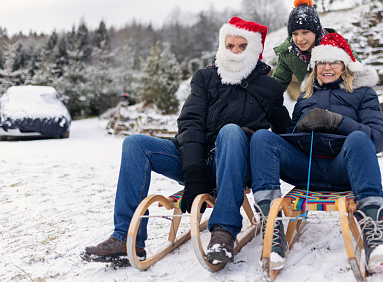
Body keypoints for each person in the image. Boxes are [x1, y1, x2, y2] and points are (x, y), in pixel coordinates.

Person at [81, 17, 290, 265]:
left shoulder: (270, 87)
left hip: (234, 164)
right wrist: (193, 173)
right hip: (195, 160)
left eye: (242, 46)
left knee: (232, 131)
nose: (234, 52)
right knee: (135, 144)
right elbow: (189, 123)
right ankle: (127, 239)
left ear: (254, 50)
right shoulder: (205, 77)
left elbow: (283, 135)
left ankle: (223, 232)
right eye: (229, 45)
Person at [250, 33, 383, 273]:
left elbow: (377, 140)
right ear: (314, 67)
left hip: (343, 168)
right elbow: (292, 133)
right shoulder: (306, 95)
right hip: (306, 168)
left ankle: (375, 238)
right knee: (261, 137)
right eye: (321, 63)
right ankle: (273, 231)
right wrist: (290, 123)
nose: (327, 67)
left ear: (345, 66)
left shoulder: (364, 94)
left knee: (360, 138)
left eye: (334, 62)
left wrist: (337, 121)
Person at [271, 0, 360, 92]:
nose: (299, 39)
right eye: (295, 34)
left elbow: (358, 72)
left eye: (305, 32)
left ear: (316, 32)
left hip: (340, 99)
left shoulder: (337, 45)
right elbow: (276, 85)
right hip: (310, 102)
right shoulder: (288, 53)